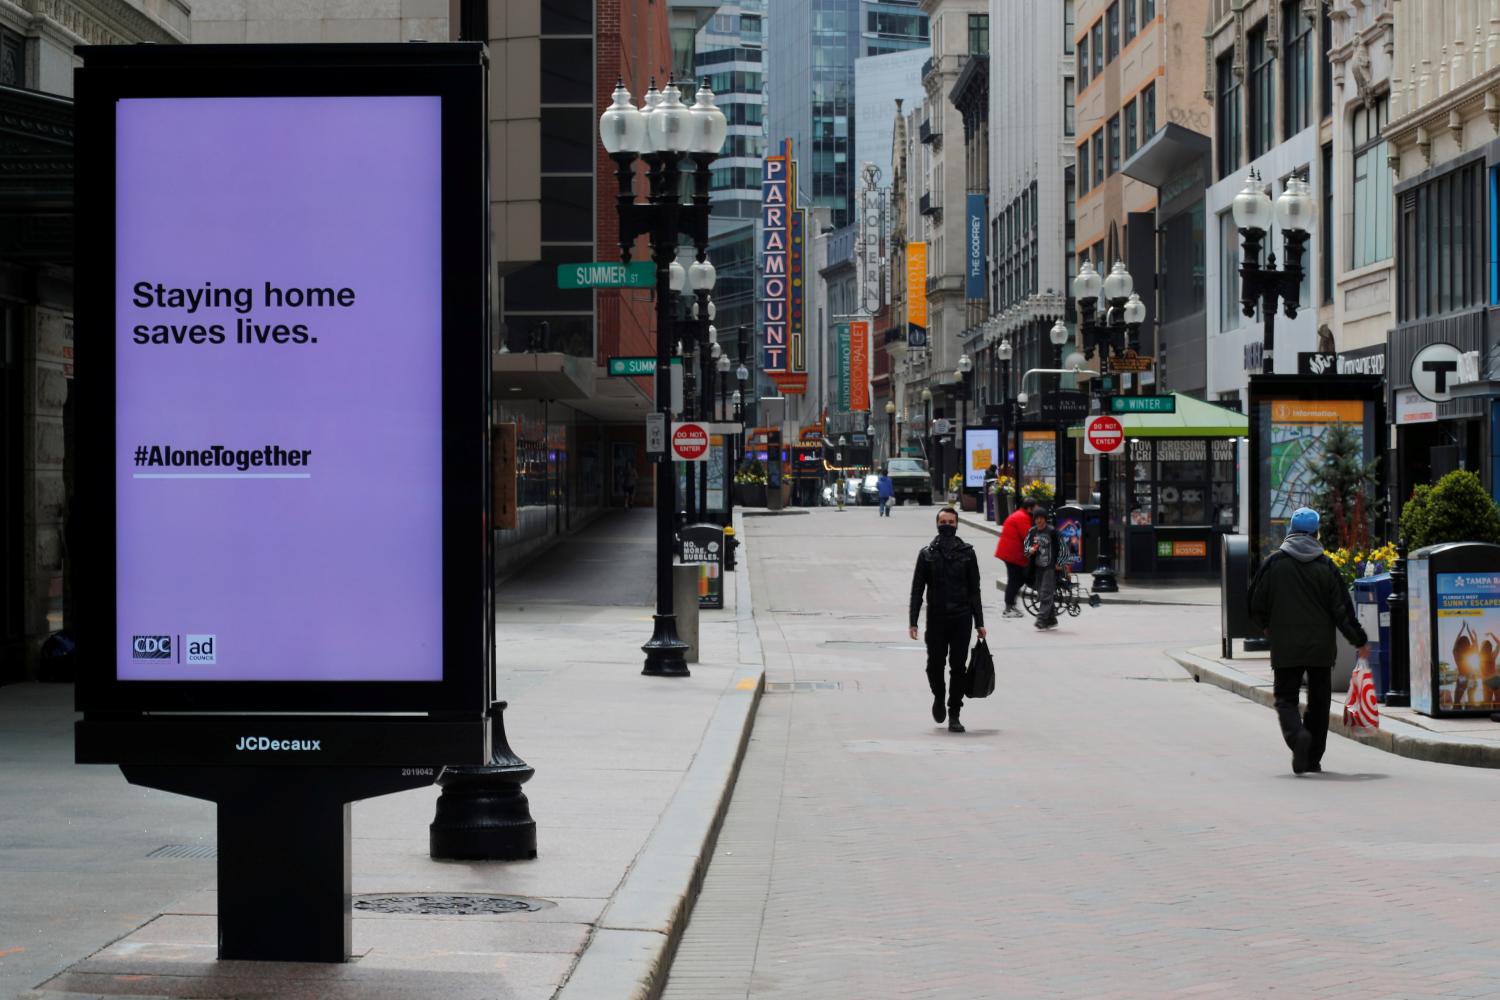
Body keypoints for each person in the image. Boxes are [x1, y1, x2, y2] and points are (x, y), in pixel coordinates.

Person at [1248, 507, 1370, 775]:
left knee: (1286, 699)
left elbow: (1254, 603)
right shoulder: (1326, 567)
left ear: (1290, 530)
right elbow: (1342, 610)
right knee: (1319, 703)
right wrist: (1359, 640)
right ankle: (1312, 757)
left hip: (1285, 646)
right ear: (1317, 533)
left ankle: (1297, 738)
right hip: (1320, 649)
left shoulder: (1274, 564)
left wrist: (1267, 626)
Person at [909, 507, 987, 732]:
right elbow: (917, 590)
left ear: (957, 525)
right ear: (937, 524)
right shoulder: (926, 554)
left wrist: (979, 622)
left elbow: (975, 590)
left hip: (962, 617)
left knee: (958, 667)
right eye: (943, 522)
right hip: (936, 618)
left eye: (951, 522)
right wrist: (913, 621)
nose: (947, 526)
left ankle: (954, 713)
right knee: (934, 665)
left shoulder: (968, 553)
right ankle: (939, 695)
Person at [994, 496, 1038, 619]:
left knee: (1017, 579)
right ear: (1030, 508)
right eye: (1035, 508)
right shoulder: (1022, 518)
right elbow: (1027, 536)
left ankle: (1011, 606)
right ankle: (1008, 608)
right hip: (1012, 554)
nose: (1037, 511)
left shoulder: (1021, 515)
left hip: (1011, 553)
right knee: (1015, 580)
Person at [1024, 509, 1063, 630]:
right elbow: (1026, 548)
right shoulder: (1032, 532)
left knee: (1046, 592)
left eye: (1041, 518)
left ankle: (1041, 619)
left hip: (1050, 566)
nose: (1039, 520)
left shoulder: (1052, 532)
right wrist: (1029, 550)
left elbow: (1061, 548)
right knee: (1041, 593)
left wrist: (1059, 562)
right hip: (1037, 566)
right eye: (1037, 518)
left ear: (1045, 519)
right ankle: (1051, 619)